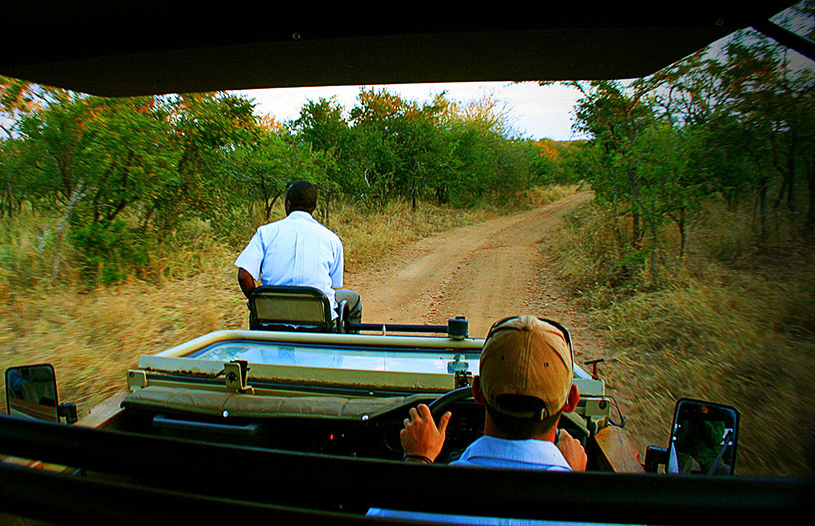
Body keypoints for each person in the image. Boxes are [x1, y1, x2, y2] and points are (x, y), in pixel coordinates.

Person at [367, 315, 595, 525]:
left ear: (476, 391)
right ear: (571, 401)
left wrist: (417, 463)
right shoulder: (595, 513)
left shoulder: (408, 501)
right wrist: (569, 482)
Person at [234, 180, 362, 324]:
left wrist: (257, 302)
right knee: (353, 300)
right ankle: (343, 342)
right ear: (313, 207)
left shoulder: (265, 233)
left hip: (272, 317)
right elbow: (334, 284)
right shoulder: (331, 239)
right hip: (317, 318)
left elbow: (244, 275)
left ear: (288, 204)